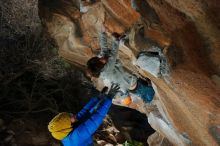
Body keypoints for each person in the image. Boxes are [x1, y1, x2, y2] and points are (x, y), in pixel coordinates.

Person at [87, 31, 155, 105]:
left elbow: (104, 50)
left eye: (98, 59)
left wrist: (102, 33)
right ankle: (147, 95)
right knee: (149, 96)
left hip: (131, 81)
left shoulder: (101, 62)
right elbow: (113, 54)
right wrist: (116, 40)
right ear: (101, 67)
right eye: (100, 60)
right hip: (134, 86)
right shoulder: (107, 71)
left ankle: (146, 87)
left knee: (147, 88)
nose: (101, 58)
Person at [48, 84, 120, 146]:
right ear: (66, 125)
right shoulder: (78, 135)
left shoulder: (64, 130)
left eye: (69, 114)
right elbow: (96, 118)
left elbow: (84, 112)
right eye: (70, 116)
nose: (72, 114)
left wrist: (97, 98)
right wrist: (109, 97)